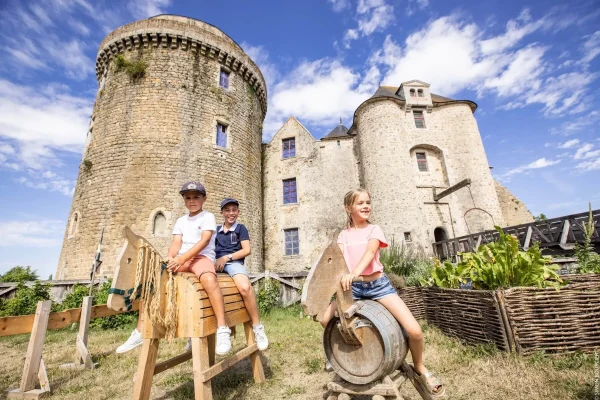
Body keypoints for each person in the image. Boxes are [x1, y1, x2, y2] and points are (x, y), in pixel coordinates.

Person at [320, 188, 444, 396]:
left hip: (377, 286)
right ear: (348, 208)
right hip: (352, 289)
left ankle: (420, 366)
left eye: (368, 202)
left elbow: (369, 253)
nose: (366, 206)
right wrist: (338, 277)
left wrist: (354, 273)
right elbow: (338, 257)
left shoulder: (374, 230)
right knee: (325, 319)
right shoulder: (343, 235)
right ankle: (342, 357)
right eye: (360, 203)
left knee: (414, 331)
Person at [116, 181, 232, 356]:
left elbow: (204, 241)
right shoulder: (181, 221)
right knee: (152, 281)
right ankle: (140, 329)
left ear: (204, 199)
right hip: (181, 258)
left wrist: (182, 258)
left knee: (209, 279)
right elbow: (176, 242)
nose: (192, 201)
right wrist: (171, 257)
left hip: (200, 257)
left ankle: (223, 328)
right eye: (188, 197)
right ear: (184, 199)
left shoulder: (207, 217)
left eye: (196, 197)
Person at [213, 197, 268, 350]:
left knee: (245, 288)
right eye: (227, 210)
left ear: (237, 212)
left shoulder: (240, 228)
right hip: (217, 263)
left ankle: (258, 327)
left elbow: (246, 250)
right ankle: (201, 334)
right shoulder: (216, 231)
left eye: (234, 210)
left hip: (232, 262)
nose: (231, 213)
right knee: (202, 285)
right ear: (222, 212)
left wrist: (227, 257)